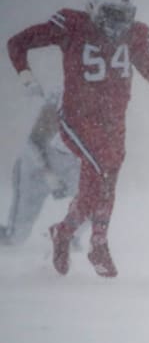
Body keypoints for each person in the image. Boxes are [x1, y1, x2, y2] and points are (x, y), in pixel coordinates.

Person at [8, 0, 149, 277]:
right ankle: (97, 241)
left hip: (113, 123)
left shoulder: (133, 37)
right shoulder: (73, 25)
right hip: (78, 119)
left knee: (103, 182)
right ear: (93, 7)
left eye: (123, 14)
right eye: (111, 12)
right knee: (101, 174)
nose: (118, 21)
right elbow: (17, 42)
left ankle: (65, 232)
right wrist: (24, 74)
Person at [0, 91, 80, 247]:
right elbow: (33, 140)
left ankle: (68, 236)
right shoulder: (59, 99)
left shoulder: (94, 102)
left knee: (94, 200)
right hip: (34, 169)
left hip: (66, 169)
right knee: (16, 237)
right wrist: (47, 173)